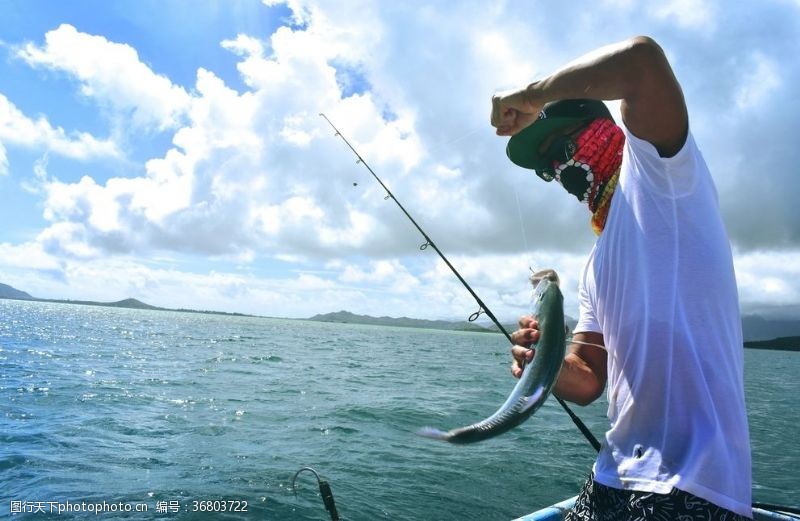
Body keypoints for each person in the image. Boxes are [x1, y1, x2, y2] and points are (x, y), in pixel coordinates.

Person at [491, 36, 752, 520]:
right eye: (549, 166)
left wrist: (530, 97)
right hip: (611, 475)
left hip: (691, 487)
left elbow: (641, 61)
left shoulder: (662, 175)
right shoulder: (595, 262)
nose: (560, 167)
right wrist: (541, 360)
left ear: (608, 131)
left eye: (566, 147)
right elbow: (588, 381)